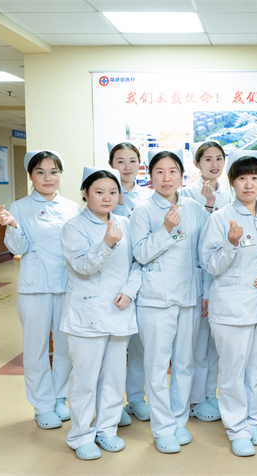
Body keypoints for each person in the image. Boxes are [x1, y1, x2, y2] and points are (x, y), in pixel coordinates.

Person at [201, 150, 257, 457]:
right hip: (232, 309)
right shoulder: (220, 218)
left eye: (255, 177)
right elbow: (211, 265)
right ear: (232, 182)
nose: (249, 184)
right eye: (242, 178)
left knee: (256, 370)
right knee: (232, 371)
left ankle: (252, 420)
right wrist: (230, 243)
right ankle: (236, 428)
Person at [129, 149, 209, 454]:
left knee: (185, 363)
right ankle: (162, 428)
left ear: (181, 176)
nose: (166, 178)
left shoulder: (195, 208)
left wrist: (204, 293)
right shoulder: (142, 211)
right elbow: (139, 254)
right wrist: (165, 229)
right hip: (155, 300)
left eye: (172, 171)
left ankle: (178, 420)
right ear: (150, 176)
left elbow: (202, 255)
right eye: (159, 172)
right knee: (157, 365)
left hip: (189, 296)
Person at [60, 167, 142, 460]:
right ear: (85, 193)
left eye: (112, 192)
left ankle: (107, 429)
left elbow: (138, 264)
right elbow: (82, 266)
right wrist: (107, 244)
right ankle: (80, 435)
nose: (107, 197)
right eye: (99, 191)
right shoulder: (73, 227)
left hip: (119, 310)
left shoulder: (126, 223)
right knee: (84, 378)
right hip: (88, 313)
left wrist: (130, 291)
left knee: (114, 376)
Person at [0, 150, 80, 430]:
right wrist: (12, 225)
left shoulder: (72, 208)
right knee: (36, 349)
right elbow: (18, 248)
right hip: (35, 288)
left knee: (66, 347)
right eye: (40, 172)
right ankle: (42, 405)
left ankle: (59, 397)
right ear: (31, 175)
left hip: (66, 286)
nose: (47, 178)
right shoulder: (19, 207)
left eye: (53, 172)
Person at [180, 141, 232, 422]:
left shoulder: (230, 193)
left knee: (215, 346)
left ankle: (210, 395)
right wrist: (208, 206)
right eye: (208, 159)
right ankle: (195, 399)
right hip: (199, 278)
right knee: (198, 346)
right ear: (197, 164)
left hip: (222, 277)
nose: (214, 164)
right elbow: (198, 239)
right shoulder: (187, 194)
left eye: (219, 158)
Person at [107, 141, 153, 426]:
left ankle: (136, 397)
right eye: (120, 161)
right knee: (112, 349)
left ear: (140, 164)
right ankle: (112, 404)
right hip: (111, 278)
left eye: (132, 161)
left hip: (141, 276)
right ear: (111, 164)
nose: (127, 167)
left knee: (139, 345)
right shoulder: (103, 193)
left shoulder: (148, 195)